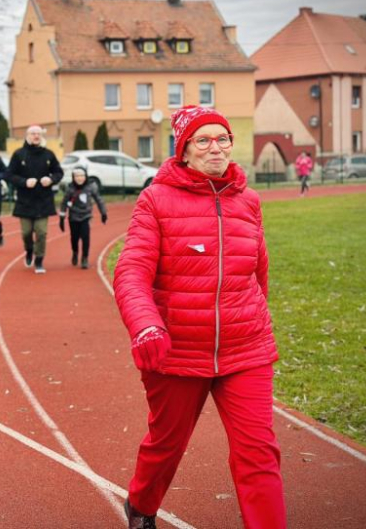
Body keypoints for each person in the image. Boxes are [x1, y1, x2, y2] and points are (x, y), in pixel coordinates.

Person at [114, 105, 286, 529]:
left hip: (245, 348)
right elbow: (131, 270)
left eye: (223, 139)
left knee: (259, 452)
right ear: (184, 151)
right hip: (176, 350)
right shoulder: (155, 200)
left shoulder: (249, 201)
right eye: (203, 140)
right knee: (166, 445)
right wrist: (146, 325)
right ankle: (141, 504)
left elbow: (258, 273)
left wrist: (256, 320)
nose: (216, 148)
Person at [6, 125, 63, 274]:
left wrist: (50, 179)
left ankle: (39, 259)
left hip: (43, 200)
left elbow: (59, 172)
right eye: (33, 133)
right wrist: (24, 182)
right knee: (26, 233)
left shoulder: (49, 154)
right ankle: (29, 250)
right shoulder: (19, 154)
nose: (36, 136)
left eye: (38, 133)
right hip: (25, 201)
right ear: (27, 136)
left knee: (41, 232)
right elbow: (9, 175)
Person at [58, 166, 107, 269]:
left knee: (85, 237)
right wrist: (62, 218)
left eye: (81, 176)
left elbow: (99, 199)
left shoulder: (90, 187)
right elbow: (63, 203)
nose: (79, 178)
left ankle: (85, 258)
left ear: (85, 176)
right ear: (73, 177)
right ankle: (75, 252)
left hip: (86, 216)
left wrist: (103, 213)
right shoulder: (70, 189)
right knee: (74, 238)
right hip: (73, 217)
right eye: (77, 176)